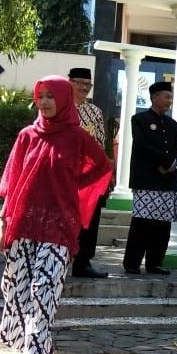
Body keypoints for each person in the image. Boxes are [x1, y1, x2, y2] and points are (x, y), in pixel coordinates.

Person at [0, 76, 112, 354]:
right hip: (23, 224)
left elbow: (102, 166)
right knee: (19, 290)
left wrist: (75, 186)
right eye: (41, 96)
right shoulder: (27, 135)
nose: (45, 102)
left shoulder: (77, 137)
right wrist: (3, 223)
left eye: (51, 96)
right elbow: (11, 182)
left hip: (59, 226)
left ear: (63, 99)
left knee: (43, 289)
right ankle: (39, 347)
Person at [122, 81, 177, 276]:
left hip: (167, 180)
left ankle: (155, 263)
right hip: (147, 178)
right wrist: (163, 162)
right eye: (167, 97)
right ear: (155, 97)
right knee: (142, 224)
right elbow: (142, 146)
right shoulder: (139, 119)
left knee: (162, 226)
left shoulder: (173, 124)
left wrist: (171, 163)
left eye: (171, 97)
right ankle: (132, 263)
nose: (169, 101)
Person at [67, 67, 110, 279]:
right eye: (80, 83)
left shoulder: (95, 112)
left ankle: (83, 262)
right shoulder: (60, 106)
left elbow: (100, 143)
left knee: (90, 219)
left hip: (88, 175)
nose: (84, 88)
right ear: (69, 83)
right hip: (64, 172)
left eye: (88, 84)